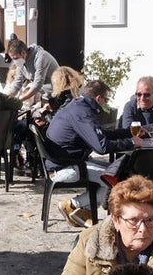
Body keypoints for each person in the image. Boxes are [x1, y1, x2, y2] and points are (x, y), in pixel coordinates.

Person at [46, 80, 135, 228]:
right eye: (106, 100)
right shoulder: (83, 113)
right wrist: (132, 143)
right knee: (118, 178)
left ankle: (82, 212)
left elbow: (98, 134)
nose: (105, 103)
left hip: (63, 162)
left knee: (115, 171)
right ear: (98, 99)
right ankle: (72, 205)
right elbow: (102, 146)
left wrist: (127, 133)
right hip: (65, 168)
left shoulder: (77, 106)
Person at [3, 40, 59, 106]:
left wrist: (19, 100)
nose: (14, 61)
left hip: (57, 91)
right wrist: (5, 99)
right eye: (12, 59)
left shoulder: (41, 57)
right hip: (45, 93)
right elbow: (17, 84)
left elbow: (37, 85)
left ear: (23, 53)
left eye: (15, 58)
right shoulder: (21, 62)